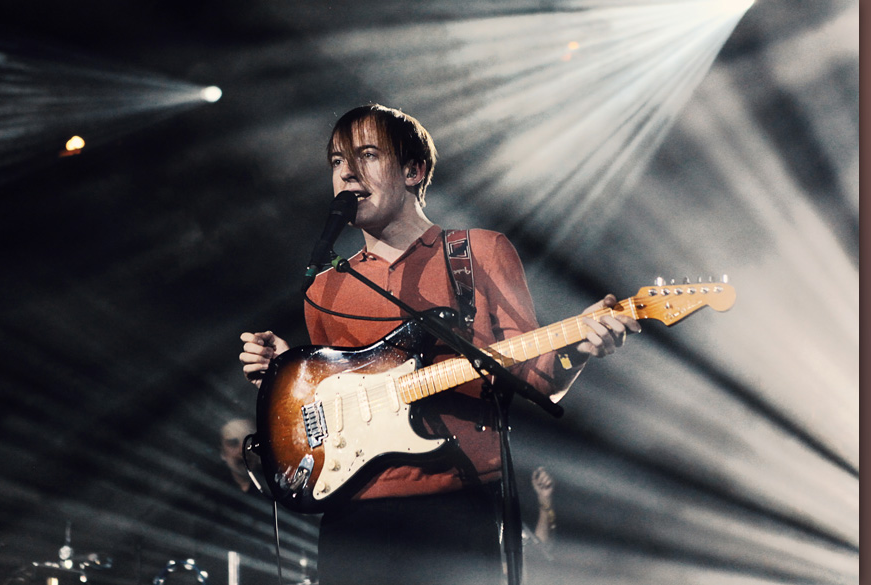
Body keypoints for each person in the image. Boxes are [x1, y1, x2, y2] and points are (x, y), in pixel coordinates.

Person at [239, 104, 640, 585]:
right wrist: (288, 372)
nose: (347, 172)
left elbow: (535, 378)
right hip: (354, 522)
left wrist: (581, 345)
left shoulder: (478, 253)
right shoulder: (323, 290)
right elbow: (334, 397)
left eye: (366, 155)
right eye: (336, 161)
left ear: (414, 170)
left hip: (457, 505)